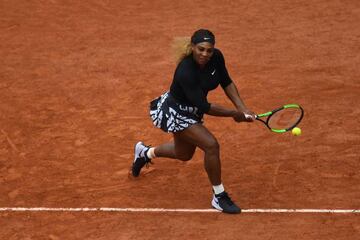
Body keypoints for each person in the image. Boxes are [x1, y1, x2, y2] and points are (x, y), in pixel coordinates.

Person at [131, 29, 255, 214]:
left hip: (193, 111)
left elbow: (226, 82)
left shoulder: (217, 57)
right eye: (201, 49)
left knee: (183, 154)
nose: (205, 54)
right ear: (192, 47)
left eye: (209, 50)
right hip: (175, 110)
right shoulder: (185, 70)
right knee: (211, 145)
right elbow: (204, 106)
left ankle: (145, 153)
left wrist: (242, 107)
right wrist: (234, 114)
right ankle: (219, 196)